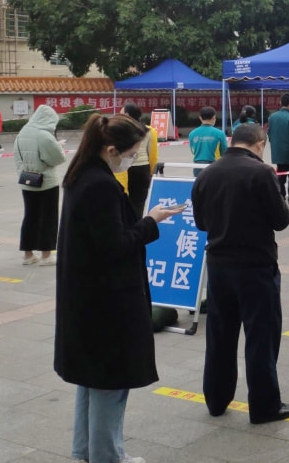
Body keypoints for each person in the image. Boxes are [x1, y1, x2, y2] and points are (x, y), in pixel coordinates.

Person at [55, 113, 177, 463]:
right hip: (107, 301)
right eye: (132, 152)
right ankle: (107, 456)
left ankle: (85, 453)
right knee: (110, 383)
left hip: (87, 297)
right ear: (111, 149)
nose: (132, 158)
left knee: (91, 381)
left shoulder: (82, 175)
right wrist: (151, 222)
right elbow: (116, 246)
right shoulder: (100, 185)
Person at [192, 123, 289, 424]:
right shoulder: (262, 173)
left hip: (218, 265)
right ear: (259, 143)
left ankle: (216, 399)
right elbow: (280, 221)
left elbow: (201, 223)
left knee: (220, 335)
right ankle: (264, 405)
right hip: (255, 266)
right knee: (260, 337)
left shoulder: (208, 173)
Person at [13, 104, 66, 266]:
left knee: (30, 216)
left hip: (27, 180)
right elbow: (56, 158)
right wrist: (59, 147)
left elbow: (17, 157)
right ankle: (46, 255)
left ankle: (28, 255)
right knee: (48, 218)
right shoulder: (44, 135)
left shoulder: (22, 132)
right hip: (47, 182)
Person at [115, 103, 159, 220]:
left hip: (123, 169)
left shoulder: (120, 130)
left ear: (127, 114)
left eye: (121, 112)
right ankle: (137, 225)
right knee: (139, 202)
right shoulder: (150, 131)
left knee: (123, 200)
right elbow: (153, 154)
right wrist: (152, 172)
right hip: (142, 169)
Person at [189, 106, 227, 176]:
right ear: (214, 117)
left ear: (200, 117)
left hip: (197, 166)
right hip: (214, 165)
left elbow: (192, 150)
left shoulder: (192, 133)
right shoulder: (219, 133)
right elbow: (224, 152)